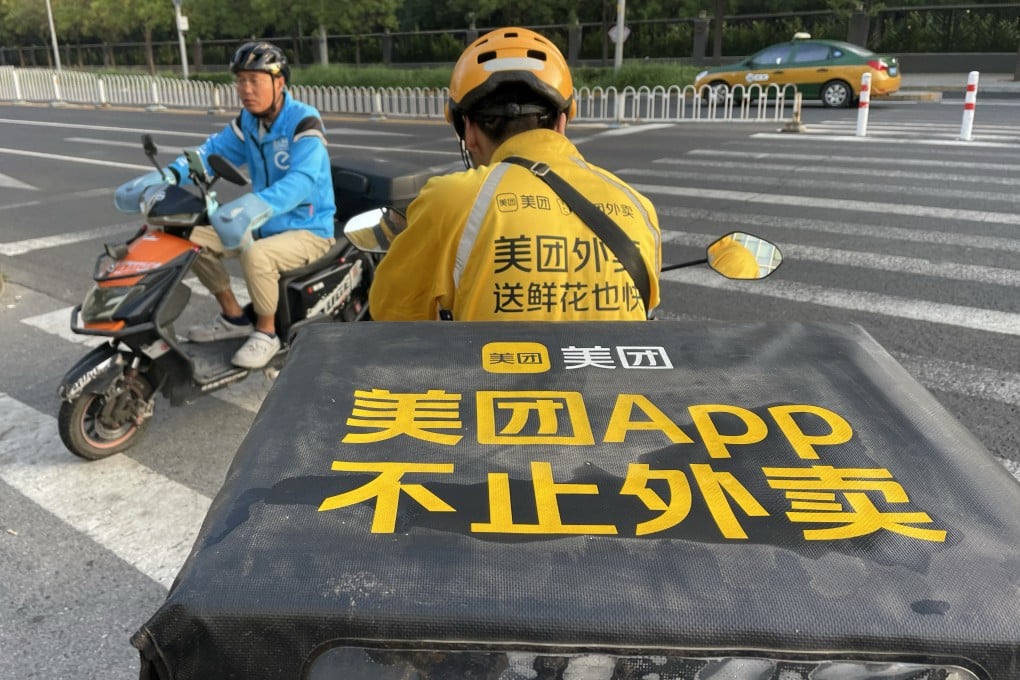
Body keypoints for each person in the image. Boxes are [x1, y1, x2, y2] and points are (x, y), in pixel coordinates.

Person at [368, 27, 662, 322]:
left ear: (468, 131)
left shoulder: (448, 202)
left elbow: (390, 314)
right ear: (562, 122)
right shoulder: (638, 208)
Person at [113, 41, 336, 369]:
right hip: (264, 221)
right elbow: (210, 153)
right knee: (187, 237)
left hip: (308, 228)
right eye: (240, 81)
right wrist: (170, 176)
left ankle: (267, 332)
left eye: (254, 81)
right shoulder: (249, 121)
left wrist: (254, 204)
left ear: (279, 83)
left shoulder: (303, 122)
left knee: (256, 255)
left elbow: (302, 182)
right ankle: (234, 316)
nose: (245, 89)